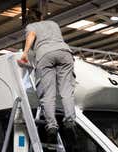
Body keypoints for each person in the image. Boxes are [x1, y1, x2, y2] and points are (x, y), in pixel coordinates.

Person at [20, 8, 77, 140]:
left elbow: (32, 35)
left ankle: (51, 125)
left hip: (45, 55)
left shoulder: (31, 26)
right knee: (66, 90)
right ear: (41, 17)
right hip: (64, 53)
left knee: (48, 93)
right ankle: (69, 121)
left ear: (29, 20)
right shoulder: (53, 23)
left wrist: (25, 53)